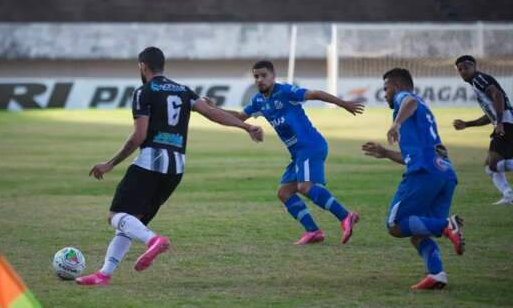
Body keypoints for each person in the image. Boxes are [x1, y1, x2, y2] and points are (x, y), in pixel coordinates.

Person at [76, 47, 263, 286]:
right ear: (163, 66)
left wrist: (110, 163)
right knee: (133, 223)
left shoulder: (143, 92)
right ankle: (104, 273)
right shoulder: (183, 90)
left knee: (116, 216)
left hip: (150, 163)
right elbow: (212, 112)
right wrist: (246, 127)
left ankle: (154, 241)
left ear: (143, 66)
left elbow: (139, 136)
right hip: (175, 169)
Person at [208, 60, 363, 245]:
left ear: (273, 76)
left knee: (305, 187)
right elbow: (240, 116)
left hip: (310, 146)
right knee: (284, 192)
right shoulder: (258, 101)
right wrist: (213, 108)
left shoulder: (286, 92)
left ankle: (346, 216)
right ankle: (313, 231)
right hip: (298, 153)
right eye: (256, 76)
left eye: (264, 76)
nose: (260, 80)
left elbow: (316, 94)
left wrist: (343, 103)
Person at [362, 68, 464, 289]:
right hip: (444, 173)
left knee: (395, 224)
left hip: (425, 173)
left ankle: (447, 225)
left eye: (386, 89)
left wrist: (396, 124)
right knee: (417, 232)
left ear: (397, 86)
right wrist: (386, 153)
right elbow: (414, 154)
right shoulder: (422, 110)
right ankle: (437, 274)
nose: (385, 94)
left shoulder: (405, 99)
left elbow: (408, 100)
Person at [453, 55, 513, 205]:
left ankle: (508, 194)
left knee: (493, 163)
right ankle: (508, 194)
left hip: (506, 123)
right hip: (504, 122)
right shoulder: (476, 83)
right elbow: (490, 115)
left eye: (466, 67)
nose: (463, 71)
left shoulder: (479, 79)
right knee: (490, 166)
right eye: (460, 69)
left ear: (474, 66)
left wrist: (499, 123)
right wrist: (467, 124)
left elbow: (497, 95)